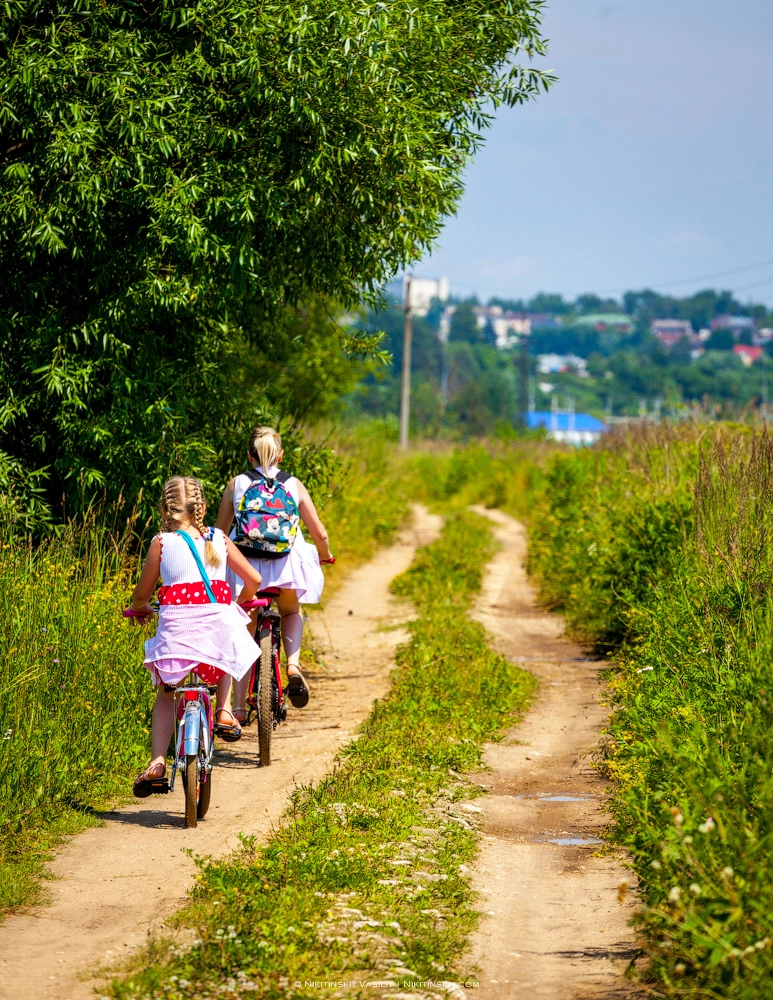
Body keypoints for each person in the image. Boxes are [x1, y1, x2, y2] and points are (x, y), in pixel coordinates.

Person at [130, 476, 262, 797]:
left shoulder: (160, 544)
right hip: (215, 633)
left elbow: (140, 595)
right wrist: (241, 600)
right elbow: (254, 578)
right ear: (202, 507)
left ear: (165, 509)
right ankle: (225, 709)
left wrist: (141, 608)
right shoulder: (218, 539)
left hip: (176, 634)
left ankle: (158, 761)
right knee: (228, 631)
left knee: (165, 694)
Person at [215, 426, 334, 717]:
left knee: (245, 628)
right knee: (291, 612)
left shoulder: (237, 484)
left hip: (246, 569)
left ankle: (239, 707)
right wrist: (325, 555)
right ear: (280, 455)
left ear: (249, 455)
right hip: (286, 565)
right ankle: (293, 665)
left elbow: (219, 534)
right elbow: (318, 531)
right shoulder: (293, 484)